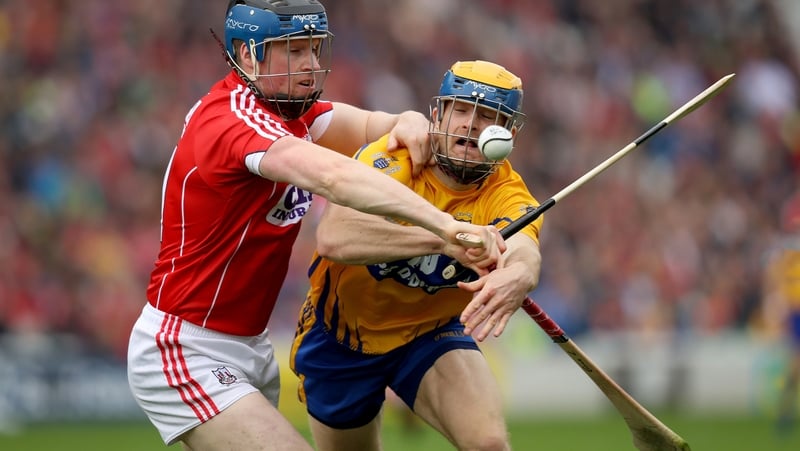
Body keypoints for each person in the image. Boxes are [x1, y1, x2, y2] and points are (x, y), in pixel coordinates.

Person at [125, 1, 505, 450]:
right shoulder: (231, 121)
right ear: (247, 55)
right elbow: (335, 177)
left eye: (315, 49)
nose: (310, 65)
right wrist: (447, 228)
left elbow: (374, 125)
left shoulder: (296, 114)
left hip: (249, 346)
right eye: (293, 50)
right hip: (185, 347)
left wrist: (408, 121)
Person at [291, 60, 543, 451]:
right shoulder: (394, 156)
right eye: (461, 110)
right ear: (438, 114)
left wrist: (522, 274)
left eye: (488, 117)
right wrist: (442, 238)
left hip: (430, 332)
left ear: (508, 134)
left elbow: (524, 248)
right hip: (342, 336)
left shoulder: (507, 193)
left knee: (489, 445)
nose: (471, 125)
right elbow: (335, 237)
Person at [763, 193, 800, 434]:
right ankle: (784, 414)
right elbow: (775, 281)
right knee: (795, 365)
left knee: (795, 366)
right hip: (796, 313)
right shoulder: (786, 251)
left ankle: (785, 413)